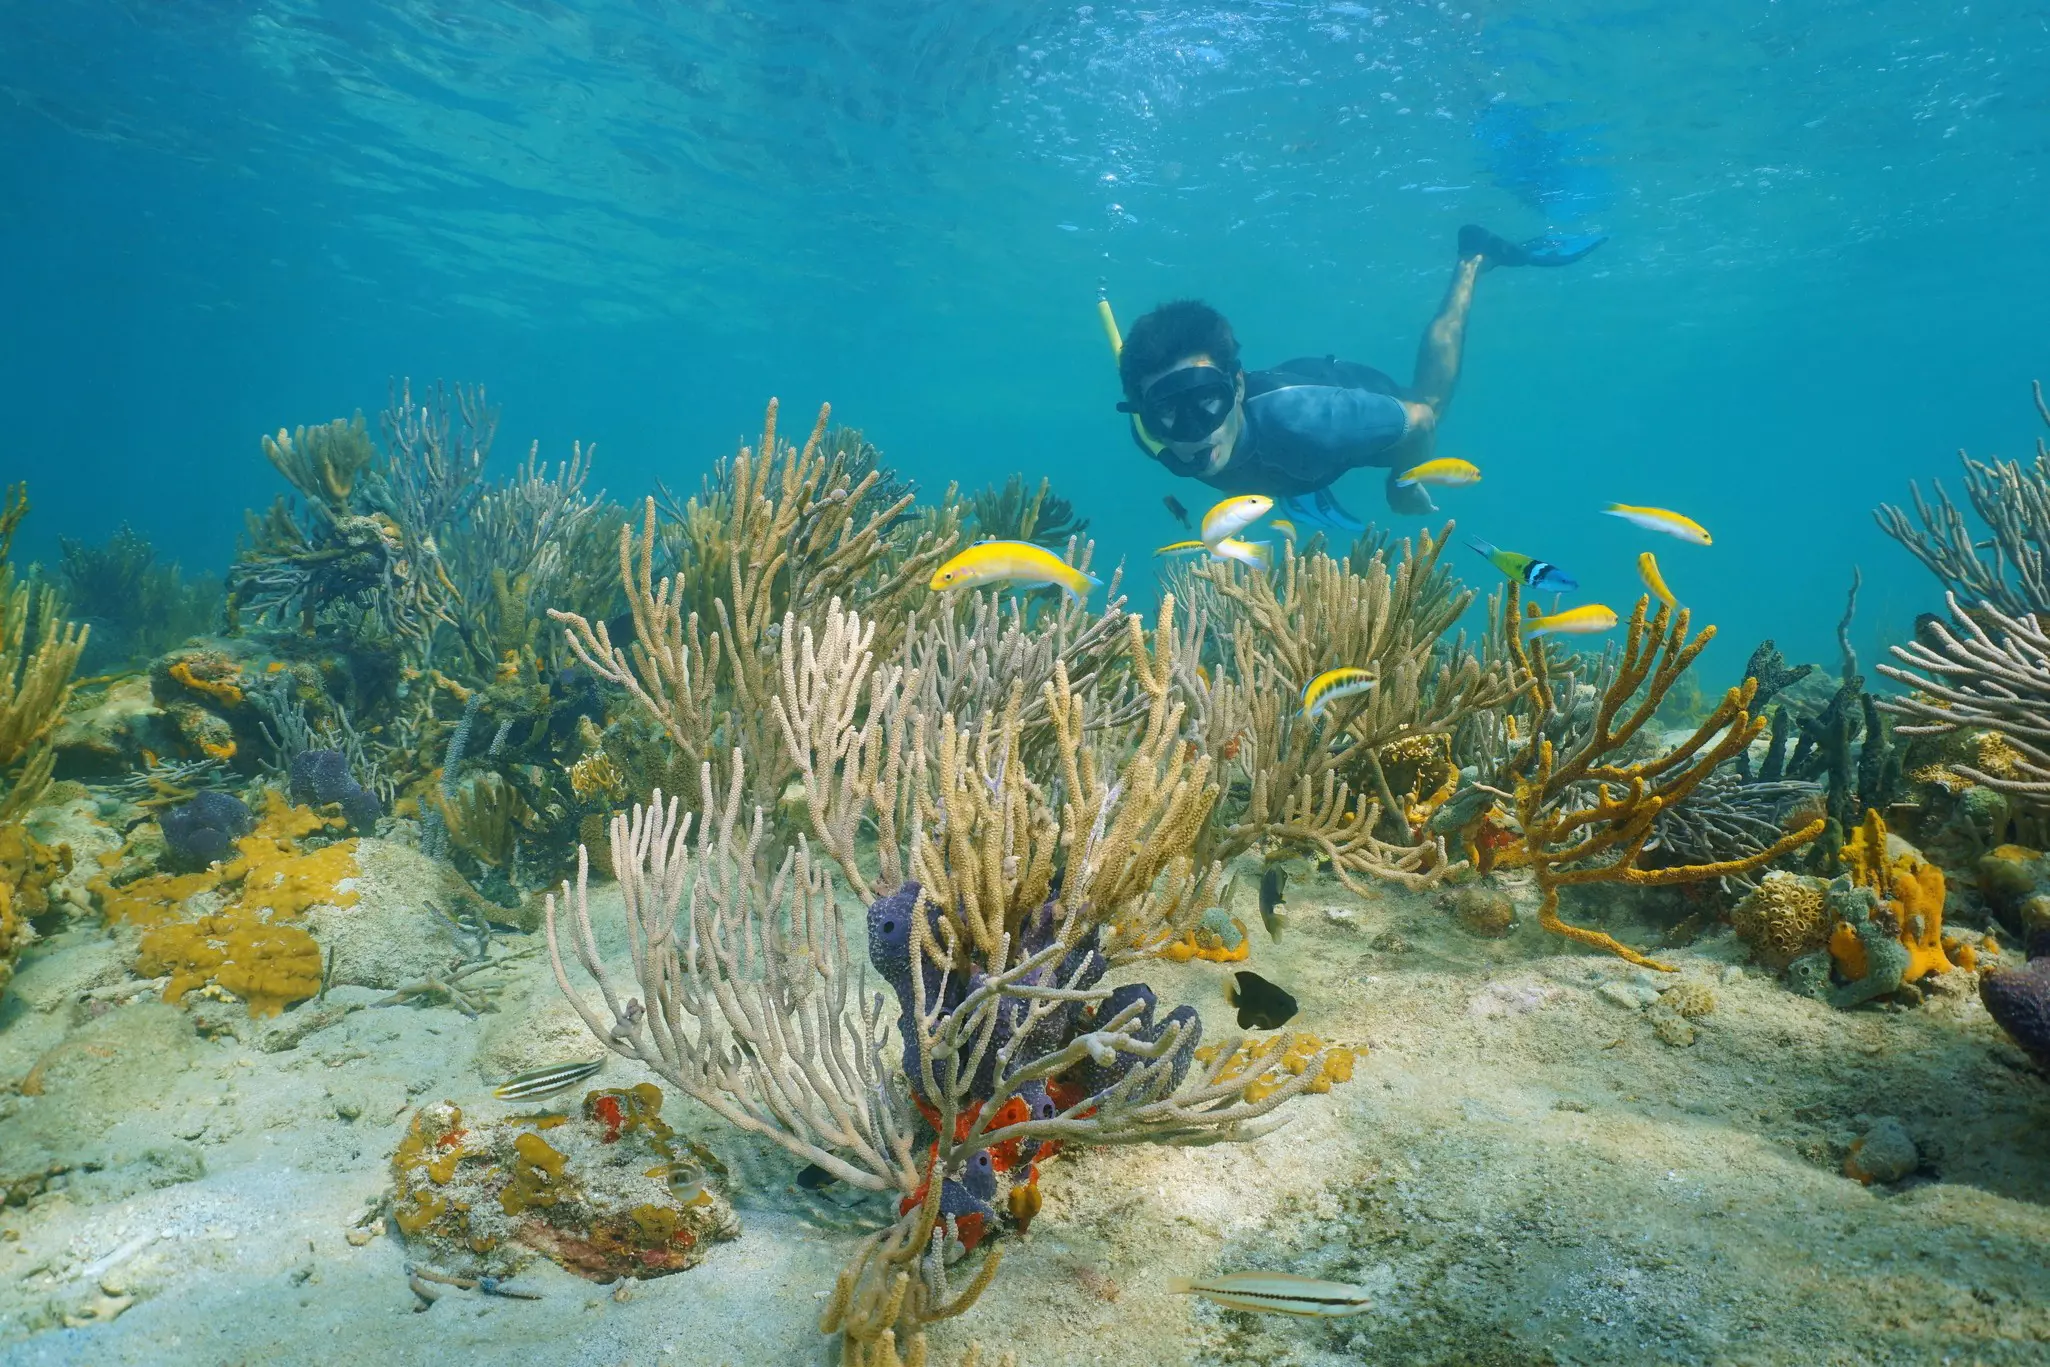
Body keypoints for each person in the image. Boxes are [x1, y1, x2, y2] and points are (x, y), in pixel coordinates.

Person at [1114, 224, 1602, 526]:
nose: (1194, 434)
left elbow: (1422, 422)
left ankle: (1472, 258)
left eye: (1207, 402)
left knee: (1433, 404)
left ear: (1236, 386)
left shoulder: (1316, 422)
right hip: (1294, 455)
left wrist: (1402, 482)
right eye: (1166, 416)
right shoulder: (1148, 434)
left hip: (1347, 395)